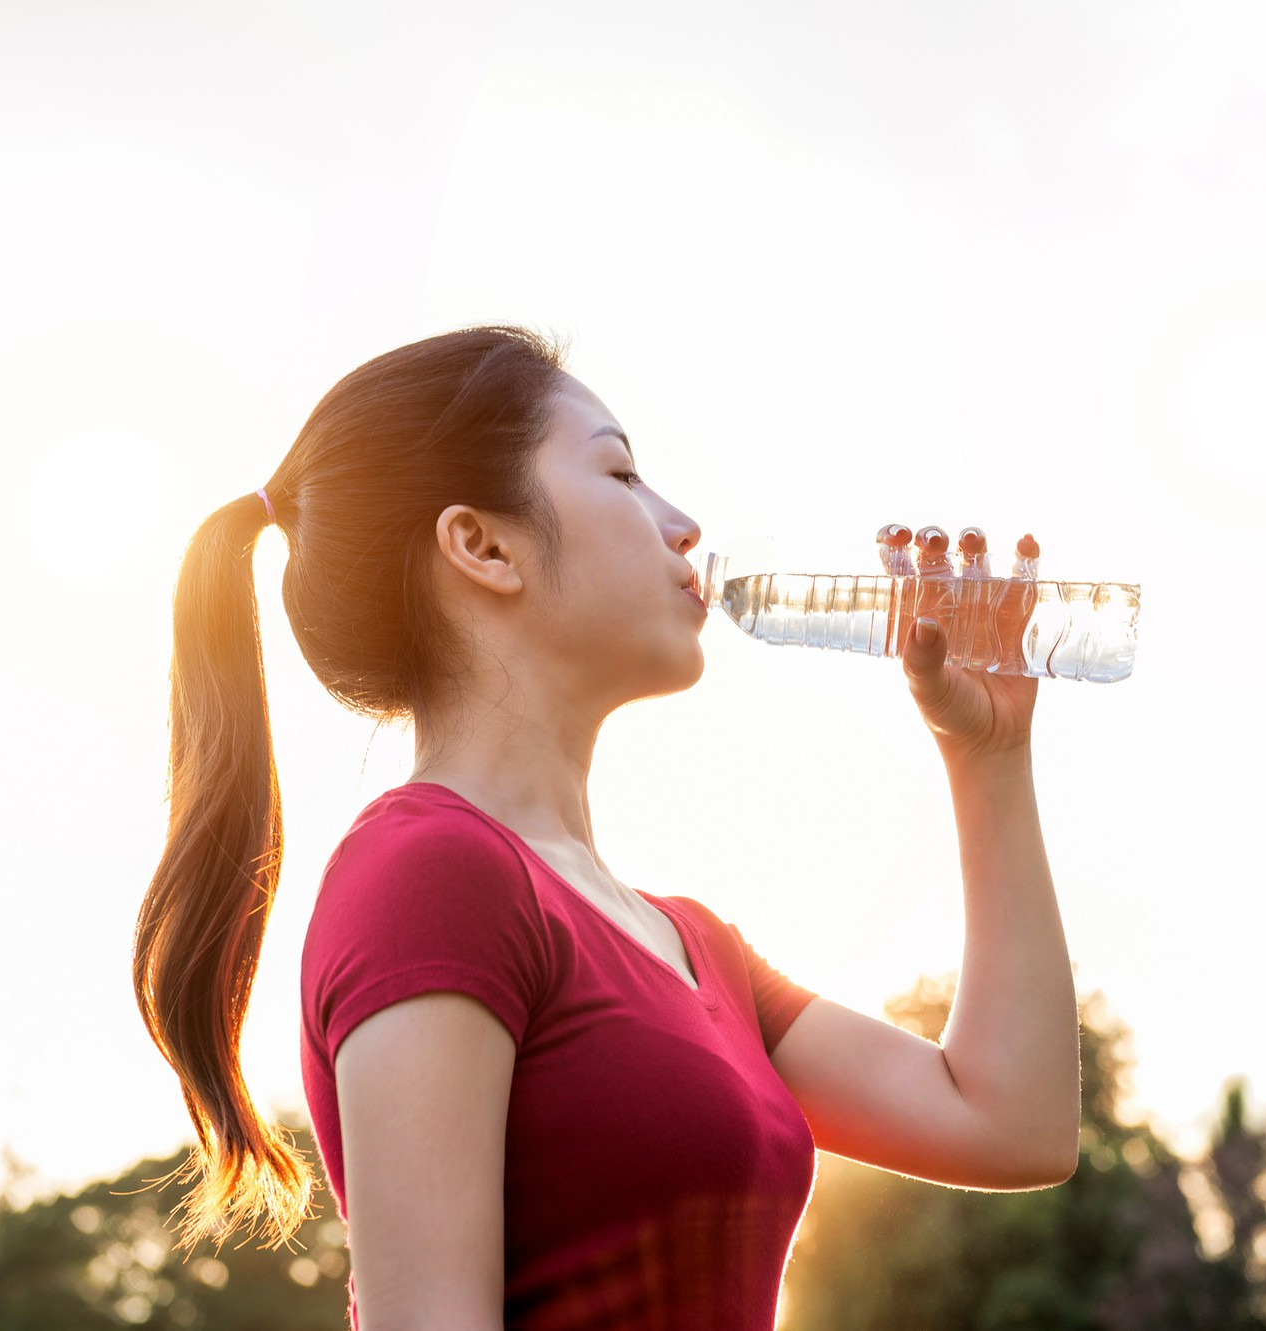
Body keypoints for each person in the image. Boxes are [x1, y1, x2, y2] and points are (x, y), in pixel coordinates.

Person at [132, 326, 1082, 1329]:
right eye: (621, 472)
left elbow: (1009, 1122)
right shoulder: (428, 870)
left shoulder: (696, 944)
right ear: (481, 546)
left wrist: (987, 759)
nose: (681, 525)